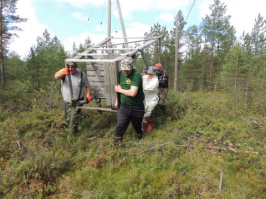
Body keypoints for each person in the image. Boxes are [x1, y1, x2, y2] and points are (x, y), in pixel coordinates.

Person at [114, 57, 145, 145]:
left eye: (127, 70)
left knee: (137, 126)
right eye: (124, 70)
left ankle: (140, 139)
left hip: (137, 106)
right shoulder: (120, 74)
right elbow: (118, 91)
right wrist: (117, 103)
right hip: (124, 106)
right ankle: (116, 146)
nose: (125, 72)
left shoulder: (136, 75)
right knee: (120, 125)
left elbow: (132, 93)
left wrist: (119, 90)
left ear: (132, 67)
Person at [54, 62, 91, 132]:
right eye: (69, 67)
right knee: (67, 117)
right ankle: (72, 128)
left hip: (78, 100)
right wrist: (62, 73)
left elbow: (88, 86)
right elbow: (56, 76)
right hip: (67, 101)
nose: (70, 69)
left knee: (74, 117)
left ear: (76, 67)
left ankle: (73, 133)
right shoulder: (64, 71)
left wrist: (88, 94)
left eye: (72, 67)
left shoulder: (81, 74)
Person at [142, 66, 159, 131]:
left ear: (154, 73)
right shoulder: (144, 77)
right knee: (142, 112)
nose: (150, 75)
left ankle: (149, 125)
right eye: (149, 73)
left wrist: (140, 86)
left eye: (152, 74)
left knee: (146, 112)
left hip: (153, 99)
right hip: (145, 99)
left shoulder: (155, 80)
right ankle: (145, 126)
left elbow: (148, 88)